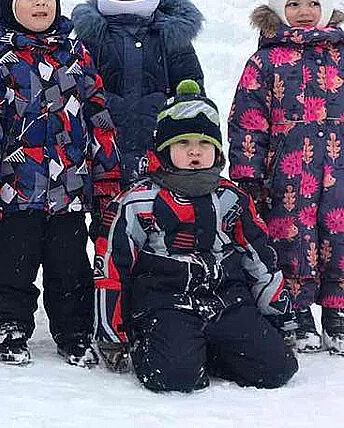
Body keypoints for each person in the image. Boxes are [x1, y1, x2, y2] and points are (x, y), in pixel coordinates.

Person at [0, 0, 121, 367]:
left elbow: (98, 114)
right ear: (9, 6)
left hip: (69, 187)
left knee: (70, 267)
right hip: (18, 188)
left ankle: (73, 331)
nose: (40, 6)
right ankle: (11, 325)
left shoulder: (76, 53)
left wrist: (106, 174)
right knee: (13, 266)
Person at [96, 80, 299, 392]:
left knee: (277, 369)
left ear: (216, 151)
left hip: (226, 299)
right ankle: (159, 347)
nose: (194, 151)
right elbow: (112, 266)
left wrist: (278, 314)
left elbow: (260, 258)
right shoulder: (138, 201)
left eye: (204, 144)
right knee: (175, 377)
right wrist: (113, 333)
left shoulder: (231, 198)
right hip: (165, 302)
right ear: (164, 150)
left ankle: (208, 349)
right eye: (183, 143)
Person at [229, 0, 344, 354]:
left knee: (339, 238)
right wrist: (248, 172)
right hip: (288, 172)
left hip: (339, 168)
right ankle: (296, 310)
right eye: (293, 4)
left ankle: (336, 311)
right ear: (279, 10)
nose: (304, 12)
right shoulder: (266, 61)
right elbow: (248, 119)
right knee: (292, 238)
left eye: (312, 2)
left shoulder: (341, 55)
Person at [72, 0, 204, 188]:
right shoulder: (93, 35)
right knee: (109, 218)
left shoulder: (170, 34)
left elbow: (190, 89)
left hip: (158, 147)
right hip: (105, 148)